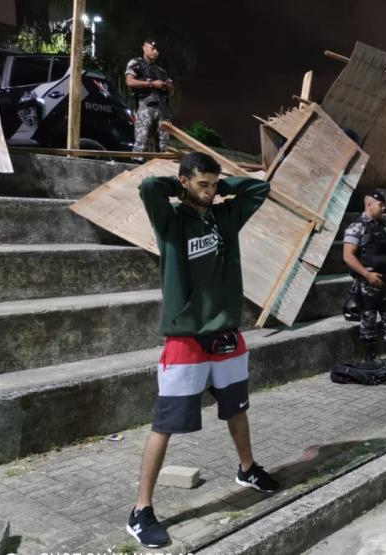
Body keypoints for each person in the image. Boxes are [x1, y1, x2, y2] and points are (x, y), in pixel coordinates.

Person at [128, 152, 277, 548]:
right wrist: (180, 188)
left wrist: (222, 184)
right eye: (202, 185)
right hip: (186, 336)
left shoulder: (226, 217)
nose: (210, 193)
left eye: (214, 185)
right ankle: (141, 510)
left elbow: (260, 188)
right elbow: (147, 187)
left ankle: (247, 469)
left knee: (237, 409)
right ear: (183, 183)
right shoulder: (171, 221)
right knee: (165, 423)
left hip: (226, 333)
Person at [342, 191, 386, 369]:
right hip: (366, 283)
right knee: (368, 320)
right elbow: (347, 255)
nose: (384, 208)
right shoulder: (356, 227)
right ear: (369, 205)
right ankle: (370, 358)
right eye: (380, 205)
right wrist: (367, 275)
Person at [125, 38, 173, 156]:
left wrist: (167, 86)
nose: (155, 51)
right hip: (145, 106)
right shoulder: (136, 63)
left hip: (162, 108)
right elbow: (129, 82)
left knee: (164, 145)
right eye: (152, 48)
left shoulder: (160, 69)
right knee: (141, 142)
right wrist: (151, 83)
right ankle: (136, 166)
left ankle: (161, 169)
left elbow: (171, 89)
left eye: (157, 49)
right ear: (144, 47)